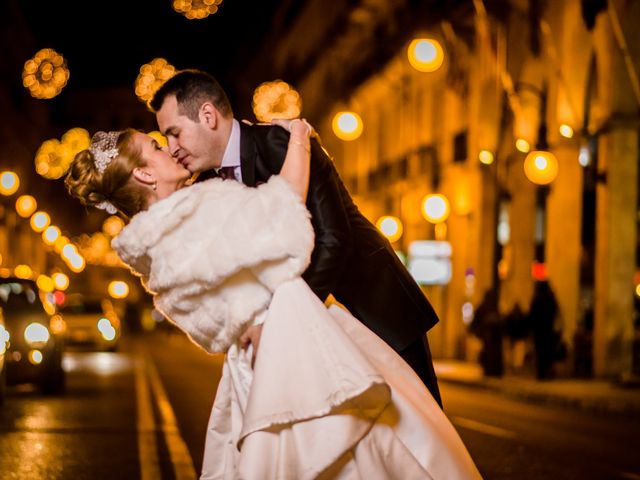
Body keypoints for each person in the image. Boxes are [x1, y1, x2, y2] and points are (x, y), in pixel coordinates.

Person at [65, 121, 482, 479]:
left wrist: (246, 319)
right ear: (143, 175)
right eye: (156, 147)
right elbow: (287, 219)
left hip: (253, 368)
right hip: (295, 346)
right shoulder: (197, 209)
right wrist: (299, 136)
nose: (168, 147)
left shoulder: (151, 250)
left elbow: (211, 330)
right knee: (370, 447)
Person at [150, 69, 443, 407]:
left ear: (207, 115)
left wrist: (285, 321)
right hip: (316, 333)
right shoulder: (205, 187)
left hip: (375, 306)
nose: (172, 148)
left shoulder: (283, 142)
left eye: (175, 133)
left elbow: (335, 239)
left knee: (426, 429)